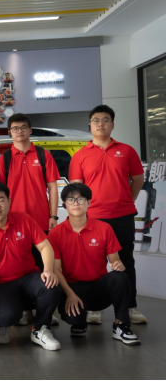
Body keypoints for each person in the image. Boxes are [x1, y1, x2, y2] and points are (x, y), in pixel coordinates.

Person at [69, 105, 147, 325]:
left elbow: (138, 179)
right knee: (93, 264)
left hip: (122, 216)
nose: (100, 124)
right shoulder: (80, 155)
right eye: (96, 120)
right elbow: (77, 189)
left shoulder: (127, 151)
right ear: (90, 125)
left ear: (112, 124)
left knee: (125, 261)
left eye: (105, 120)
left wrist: (127, 200)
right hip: (92, 218)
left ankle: (130, 306)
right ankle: (95, 308)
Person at [0, 182, 62, 351]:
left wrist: (48, 270)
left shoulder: (24, 219)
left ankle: (40, 328)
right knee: (7, 315)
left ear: (9, 201)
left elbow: (45, 246)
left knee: (51, 285)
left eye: (1, 200)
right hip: (1, 284)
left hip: (28, 277)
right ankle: (3, 323)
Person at [49, 184, 141, 346]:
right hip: (73, 288)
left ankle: (121, 325)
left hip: (98, 287)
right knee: (74, 318)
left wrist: (117, 265)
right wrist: (69, 294)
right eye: (71, 199)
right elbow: (56, 269)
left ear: (89, 202)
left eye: (80, 199)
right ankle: (79, 322)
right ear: (64, 204)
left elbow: (115, 260)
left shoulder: (104, 228)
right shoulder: (56, 233)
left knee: (120, 277)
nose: (76, 203)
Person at [0, 114, 61, 326]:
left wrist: (53, 215)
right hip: (12, 225)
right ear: (10, 132)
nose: (19, 131)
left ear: (30, 130)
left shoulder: (43, 155)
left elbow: (52, 187)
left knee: (42, 267)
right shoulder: (4, 159)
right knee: (20, 269)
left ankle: (44, 310)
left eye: (23, 127)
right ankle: (24, 310)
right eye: (15, 128)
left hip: (40, 221)